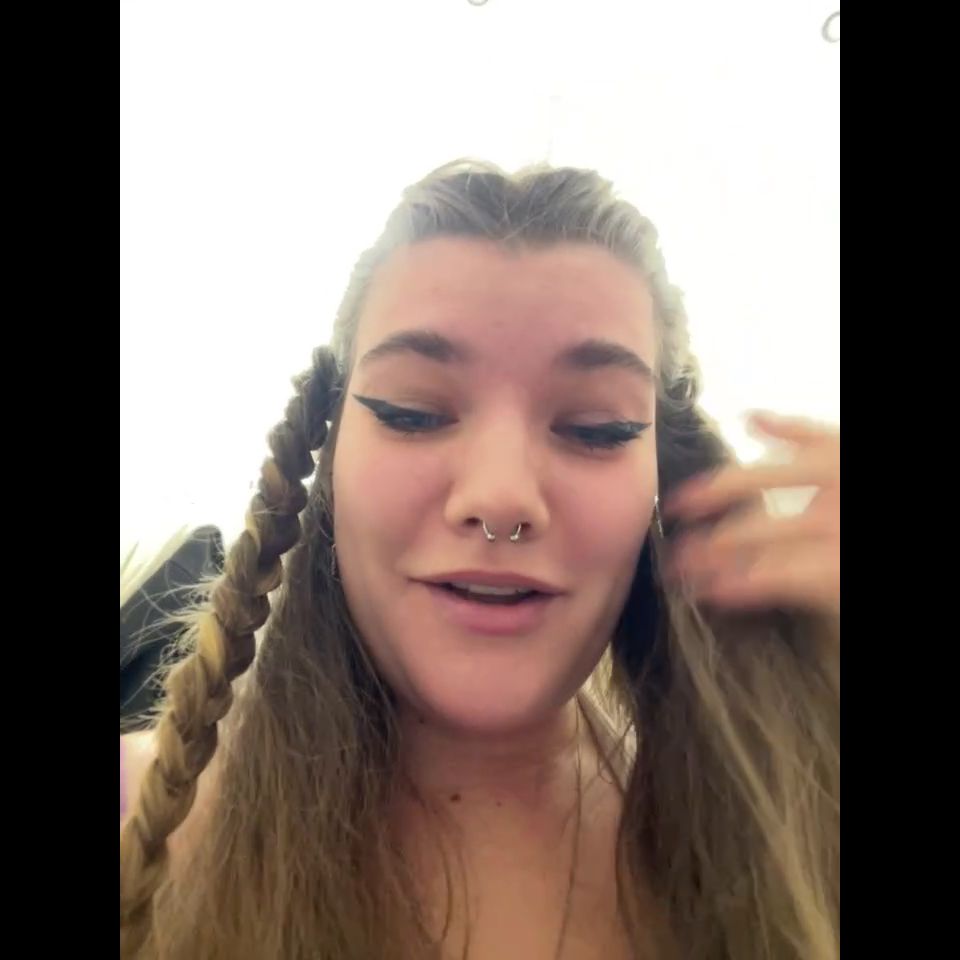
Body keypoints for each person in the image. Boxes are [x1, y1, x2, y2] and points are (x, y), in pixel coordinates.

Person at [119, 159, 840, 960]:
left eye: (596, 428)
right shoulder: (141, 820)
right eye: (412, 412)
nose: (500, 498)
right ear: (328, 451)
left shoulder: (799, 845)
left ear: (664, 482)